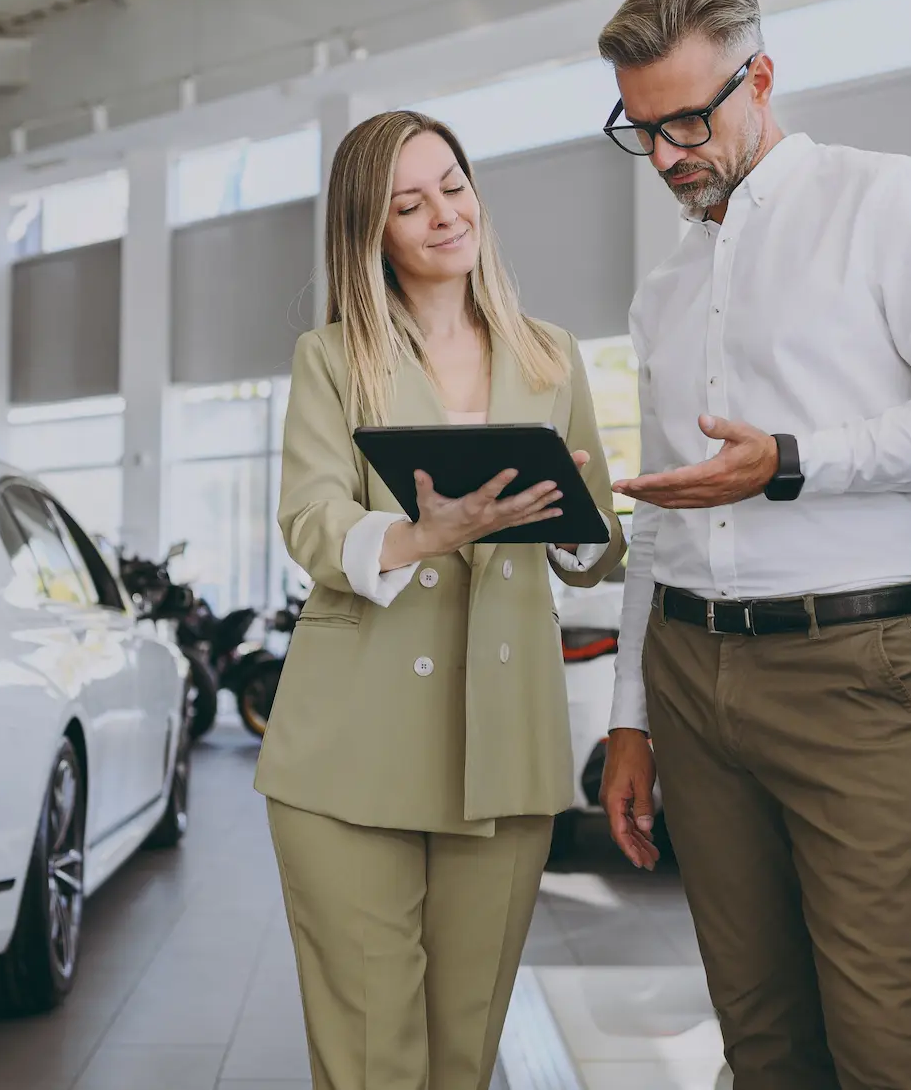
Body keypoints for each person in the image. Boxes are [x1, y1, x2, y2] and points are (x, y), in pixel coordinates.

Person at [594, 0, 911, 1089]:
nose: (666, 155)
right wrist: (634, 716)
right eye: (641, 130)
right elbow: (662, 517)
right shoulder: (664, 288)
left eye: (689, 119)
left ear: (764, 77)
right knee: (760, 1038)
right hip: (691, 673)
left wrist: (793, 463)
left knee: (887, 1041)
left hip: (857, 667)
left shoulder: (891, 200)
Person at [256, 109, 627, 1090]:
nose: (442, 215)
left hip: (504, 743)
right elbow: (308, 516)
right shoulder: (333, 358)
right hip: (349, 750)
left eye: (453, 185)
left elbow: (596, 554)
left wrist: (574, 512)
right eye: (408, 203)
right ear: (369, 230)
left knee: (463, 1055)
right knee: (379, 1058)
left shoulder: (551, 355)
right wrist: (419, 536)